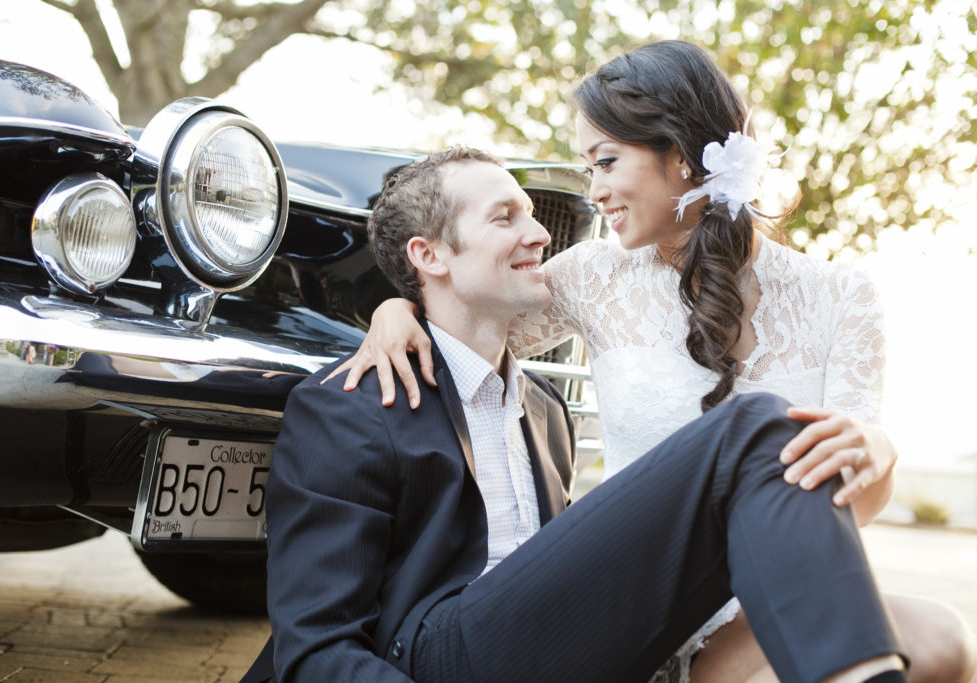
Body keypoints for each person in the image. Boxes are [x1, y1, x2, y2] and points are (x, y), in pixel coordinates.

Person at [332, 41, 976, 683]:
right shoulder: (592, 278)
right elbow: (469, 317)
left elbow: (848, 501)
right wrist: (400, 309)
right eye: (588, 169)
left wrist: (878, 453)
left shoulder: (843, 298)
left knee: (945, 637)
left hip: (770, 590)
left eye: (606, 161)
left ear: (682, 152)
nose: (595, 192)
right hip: (639, 600)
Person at [242, 146, 912, 683]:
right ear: (429, 255)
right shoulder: (349, 408)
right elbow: (316, 650)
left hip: (556, 650)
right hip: (428, 659)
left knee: (935, 638)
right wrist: (394, 308)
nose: (540, 232)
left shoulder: (544, 411)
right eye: (505, 218)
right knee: (760, 425)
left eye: (533, 214)